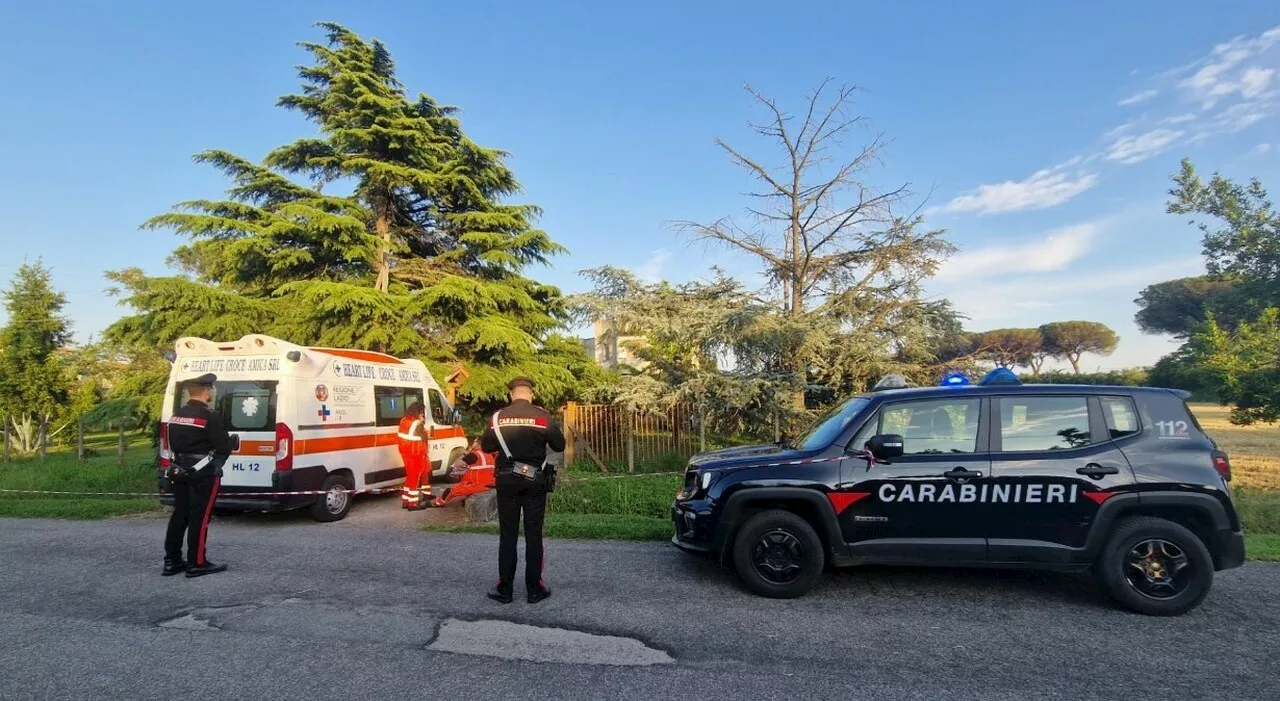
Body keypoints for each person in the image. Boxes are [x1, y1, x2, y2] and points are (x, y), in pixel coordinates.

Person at [478, 377, 565, 604]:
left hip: (507, 480)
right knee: (534, 535)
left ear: (511, 395)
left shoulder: (498, 418)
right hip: (535, 480)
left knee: (508, 535)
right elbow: (560, 445)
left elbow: (486, 446)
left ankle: (505, 590)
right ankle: (534, 589)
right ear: (531, 394)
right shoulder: (542, 417)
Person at [163, 373, 234, 578]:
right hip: (202, 472)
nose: (211, 392)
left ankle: (172, 561)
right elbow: (223, 445)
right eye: (210, 389)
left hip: (178, 470)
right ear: (206, 390)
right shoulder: (209, 416)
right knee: (200, 518)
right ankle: (197, 563)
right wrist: (217, 466)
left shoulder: (177, 415)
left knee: (179, 515)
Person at [431, 438, 496, 508]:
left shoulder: (475, 455)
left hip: (477, 484)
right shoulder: (489, 454)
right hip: (490, 483)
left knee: (449, 491)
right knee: (463, 488)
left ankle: (439, 502)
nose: (473, 443)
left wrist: (466, 453)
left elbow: (457, 464)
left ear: (478, 444)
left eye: (474, 442)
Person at [397, 401, 432, 510]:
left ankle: (406, 501)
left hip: (405, 452)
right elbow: (424, 438)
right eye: (422, 412)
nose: (423, 415)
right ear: (419, 412)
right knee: (415, 477)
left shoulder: (403, 420)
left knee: (410, 476)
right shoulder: (417, 424)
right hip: (416, 453)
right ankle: (412, 504)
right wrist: (426, 430)